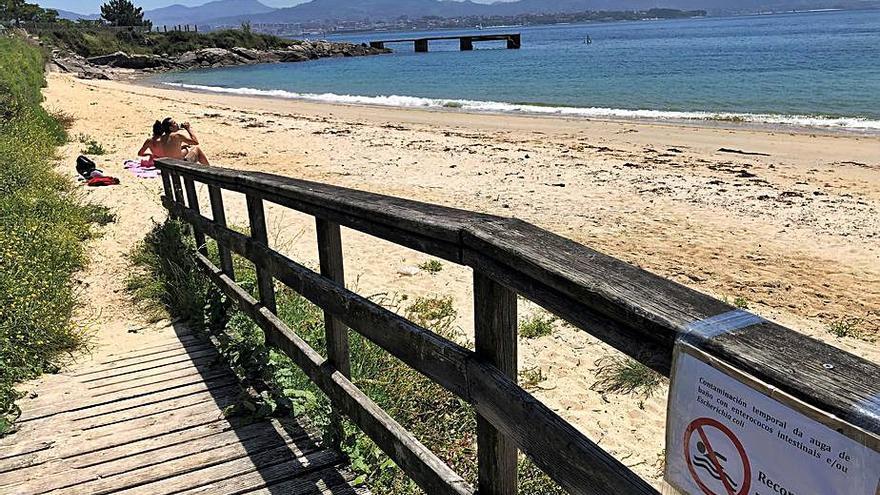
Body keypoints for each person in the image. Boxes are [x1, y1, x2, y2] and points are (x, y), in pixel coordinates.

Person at [138, 117, 210, 165]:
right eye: (174, 123)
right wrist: (188, 129)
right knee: (196, 149)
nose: (177, 124)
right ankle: (209, 169)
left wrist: (182, 147)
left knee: (186, 149)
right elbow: (195, 142)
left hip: (169, 165)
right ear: (171, 128)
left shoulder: (161, 138)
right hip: (181, 166)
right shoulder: (177, 136)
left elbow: (170, 149)